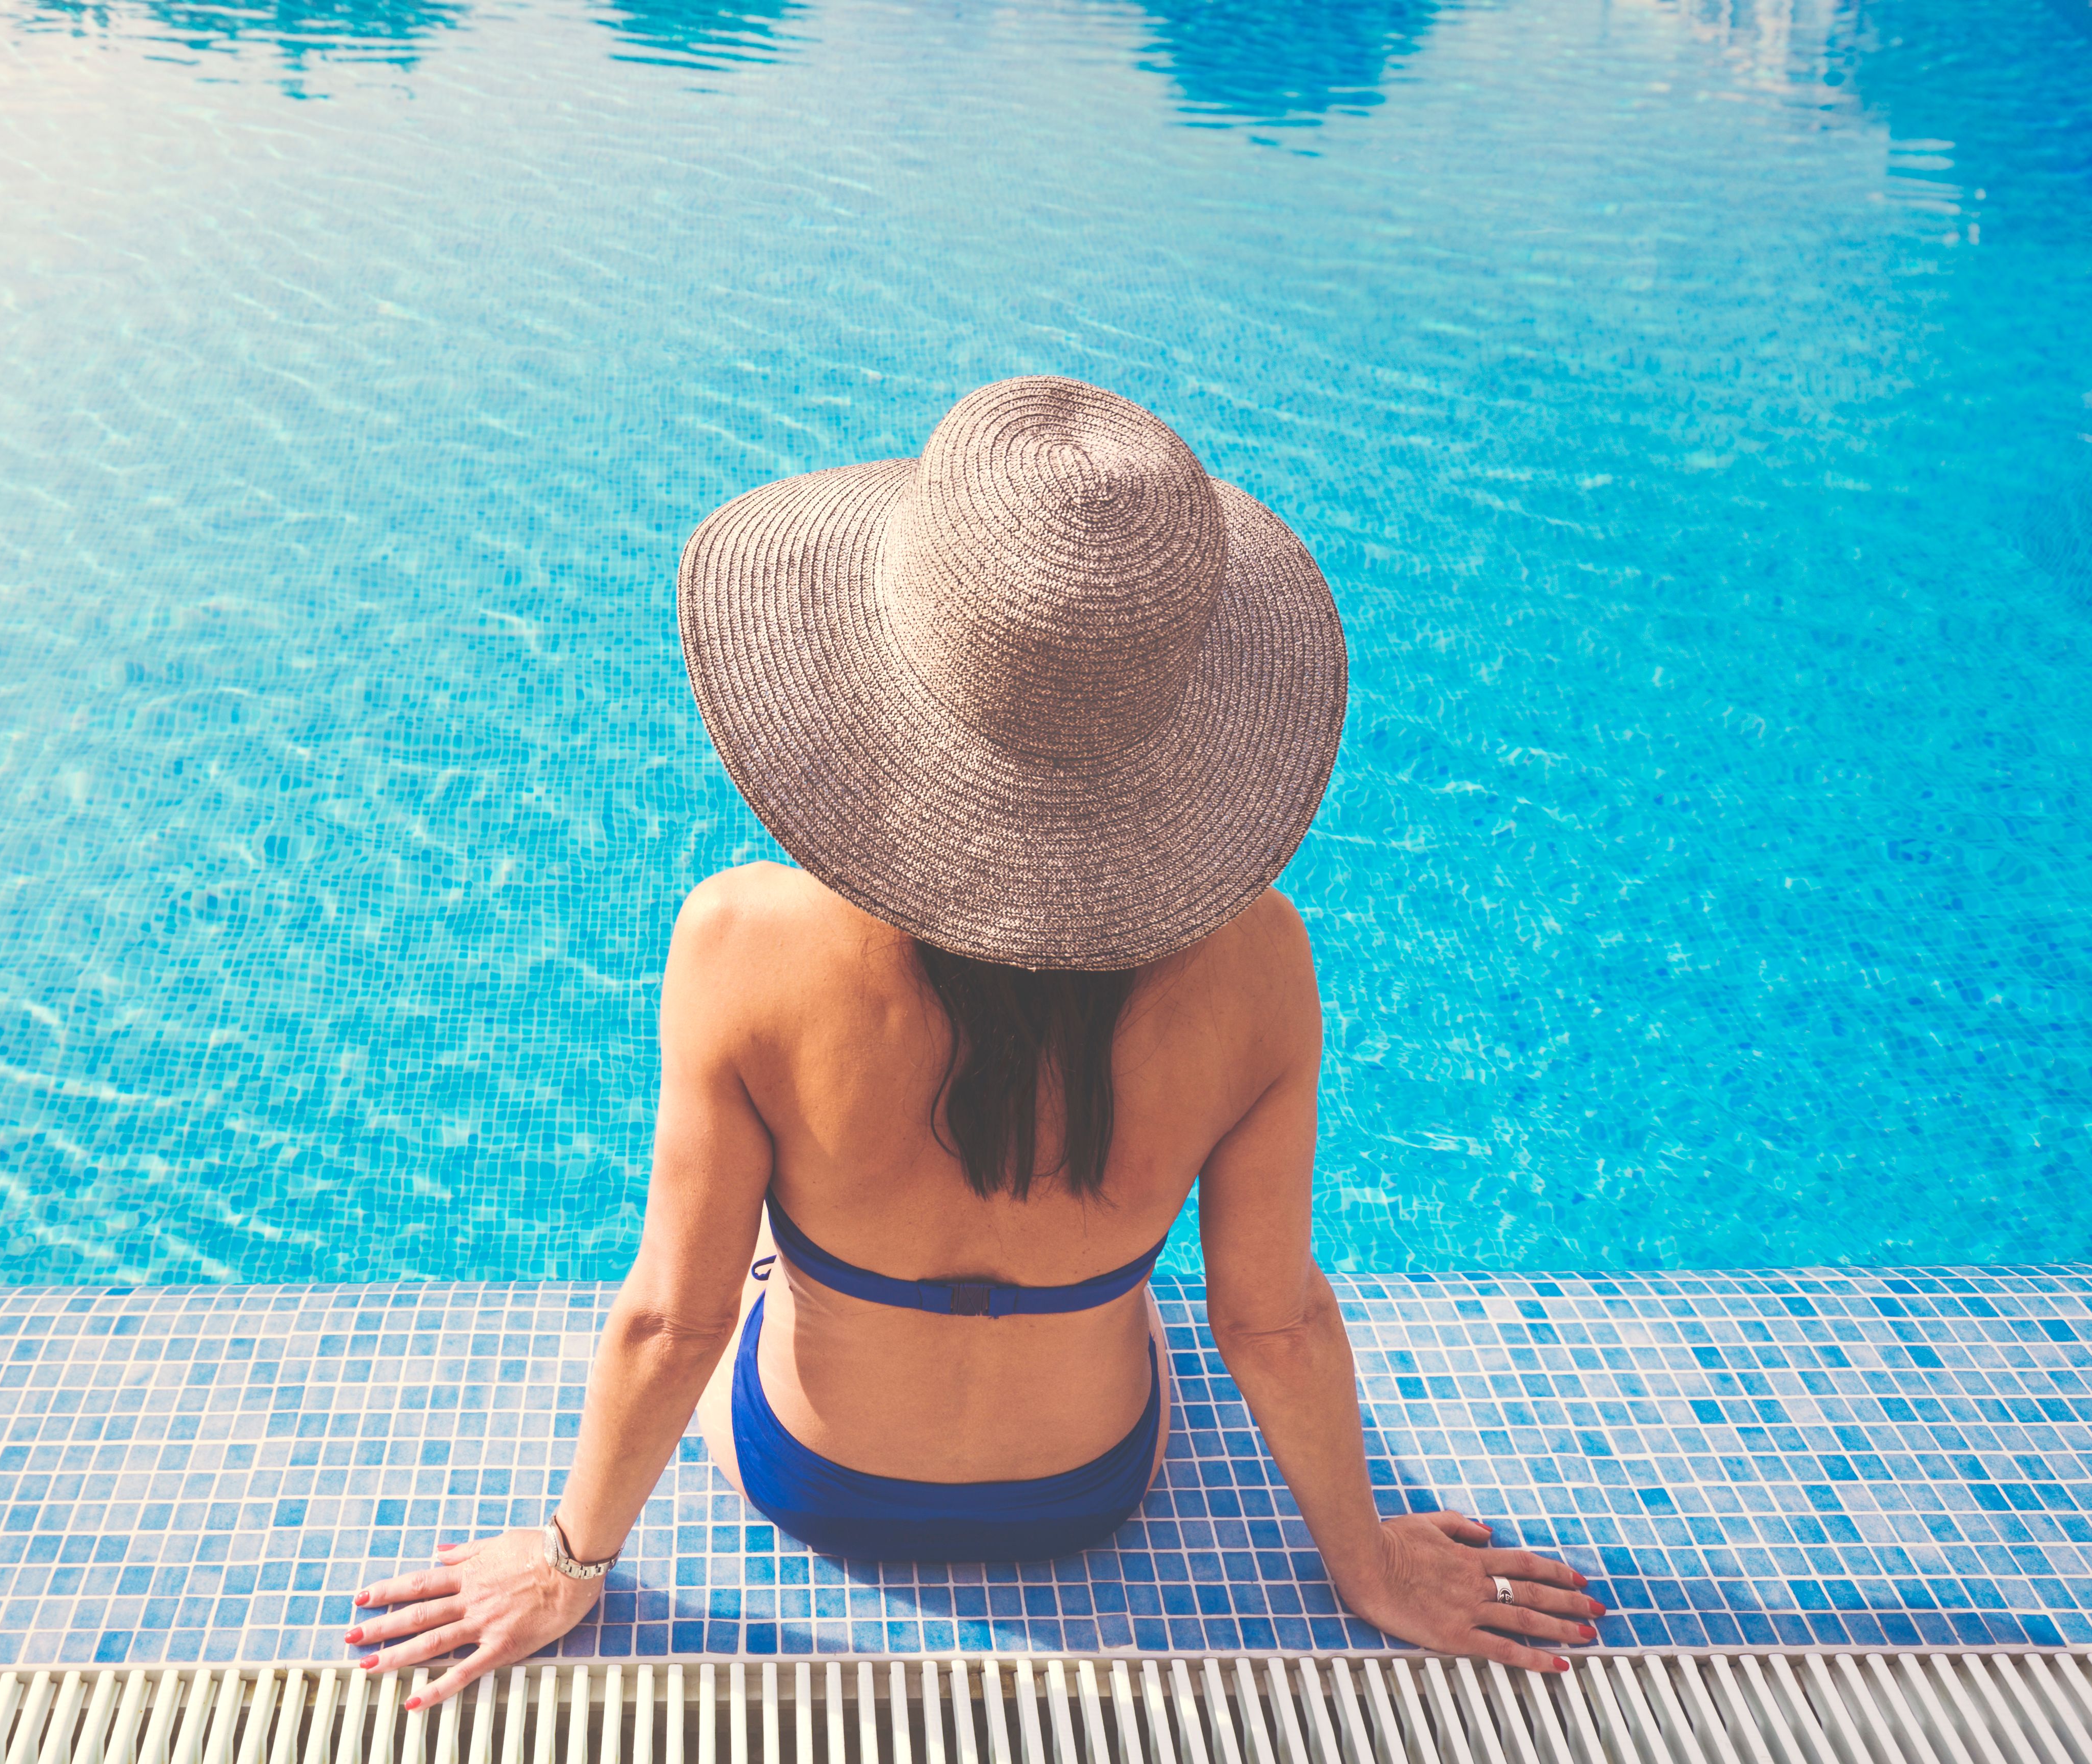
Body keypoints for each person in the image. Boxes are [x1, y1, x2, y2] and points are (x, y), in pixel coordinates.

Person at [347, 376, 1598, 1700]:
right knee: (1145, 1268)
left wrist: (566, 1557)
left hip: (809, 1472)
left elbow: (672, 1320)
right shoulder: (1256, 965)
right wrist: (1367, 1562)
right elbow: (1271, 1323)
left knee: (765, 1228)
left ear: (882, 678)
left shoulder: (740, 940)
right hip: (1084, 1486)